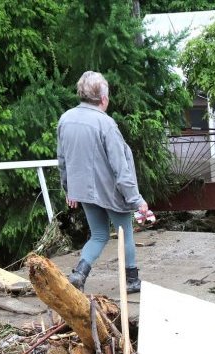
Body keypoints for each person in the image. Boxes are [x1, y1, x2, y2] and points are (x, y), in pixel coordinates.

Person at [57, 70, 152, 294]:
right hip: (110, 191)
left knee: (99, 234)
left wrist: (69, 190)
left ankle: (79, 274)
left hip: (84, 192)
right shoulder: (106, 124)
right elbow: (121, 168)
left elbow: (62, 160)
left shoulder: (65, 119)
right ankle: (131, 280)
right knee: (124, 232)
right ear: (103, 98)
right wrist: (136, 200)